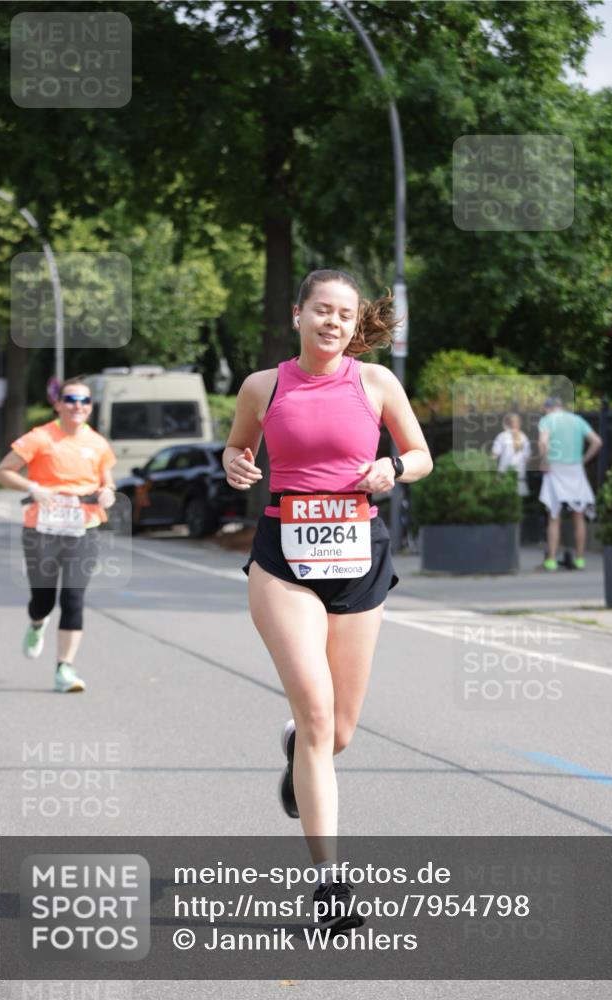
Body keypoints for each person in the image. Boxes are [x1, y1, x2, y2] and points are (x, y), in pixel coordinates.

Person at [223, 269, 433, 929]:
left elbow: (421, 453)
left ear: (353, 323)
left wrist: (391, 469)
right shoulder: (263, 385)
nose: (332, 322)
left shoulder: (375, 382)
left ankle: (298, 749)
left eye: (343, 314)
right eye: (321, 310)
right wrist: (235, 462)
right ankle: (330, 886)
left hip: (356, 556)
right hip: (284, 558)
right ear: (298, 314)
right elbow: (237, 447)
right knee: (316, 716)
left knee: (337, 732)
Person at [0, 376, 117, 692]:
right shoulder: (39, 438)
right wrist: (34, 488)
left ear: (90, 407)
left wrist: (108, 493)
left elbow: (107, 481)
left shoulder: (98, 443)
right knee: (43, 599)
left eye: (84, 401)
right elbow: (2, 472)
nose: (78, 406)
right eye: (71, 400)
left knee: (73, 598)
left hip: (84, 528)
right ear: (58, 404)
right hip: (42, 529)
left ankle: (64, 669)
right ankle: (37, 622)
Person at [538, 396, 602, 571]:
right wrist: (583, 459)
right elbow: (597, 442)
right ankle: (580, 558)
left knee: (554, 515)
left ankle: (551, 560)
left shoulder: (547, 420)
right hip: (575, 469)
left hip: (555, 468)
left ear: (548, 408)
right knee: (578, 515)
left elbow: (543, 442)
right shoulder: (577, 420)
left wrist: (544, 461)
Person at [491, 413, 531, 496]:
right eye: (514, 422)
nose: (515, 424)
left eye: (516, 422)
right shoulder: (503, 436)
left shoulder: (522, 437)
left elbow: (527, 456)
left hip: (513, 473)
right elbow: (495, 454)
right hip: (511, 473)